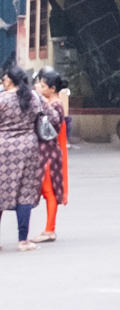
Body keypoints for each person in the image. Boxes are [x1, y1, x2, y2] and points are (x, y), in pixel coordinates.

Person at [0, 60, 57, 246]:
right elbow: (54, 117)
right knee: (25, 193)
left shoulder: (2, 99)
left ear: (10, 80)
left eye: (4, 78)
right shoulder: (34, 97)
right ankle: (23, 241)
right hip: (28, 149)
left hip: (3, 149)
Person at [36, 68, 69, 241]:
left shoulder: (55, 105)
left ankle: (50, 229)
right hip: (47, 151)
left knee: (49, 191)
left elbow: (49, 126)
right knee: (47, 190)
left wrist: (40, 101)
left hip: (49, 152)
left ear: (53, 88)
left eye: (43, 86)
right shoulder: (52, 103)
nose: (40, 89)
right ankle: (49, 228)